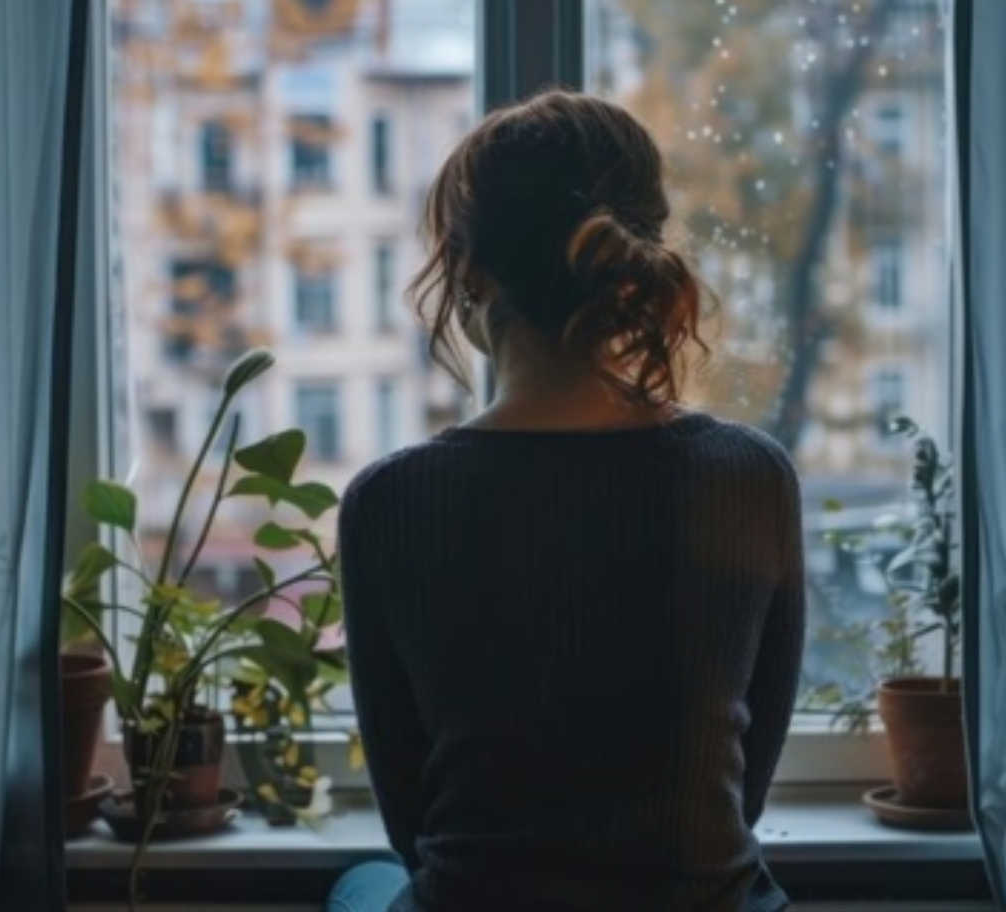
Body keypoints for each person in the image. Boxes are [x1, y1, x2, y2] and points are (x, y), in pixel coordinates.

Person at [332, 90, 804, 912]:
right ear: (636, 254)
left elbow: (411, 824)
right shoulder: (751, 478)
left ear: (466, 265)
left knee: (364, 885)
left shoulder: (391, 502)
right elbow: (743, 791)